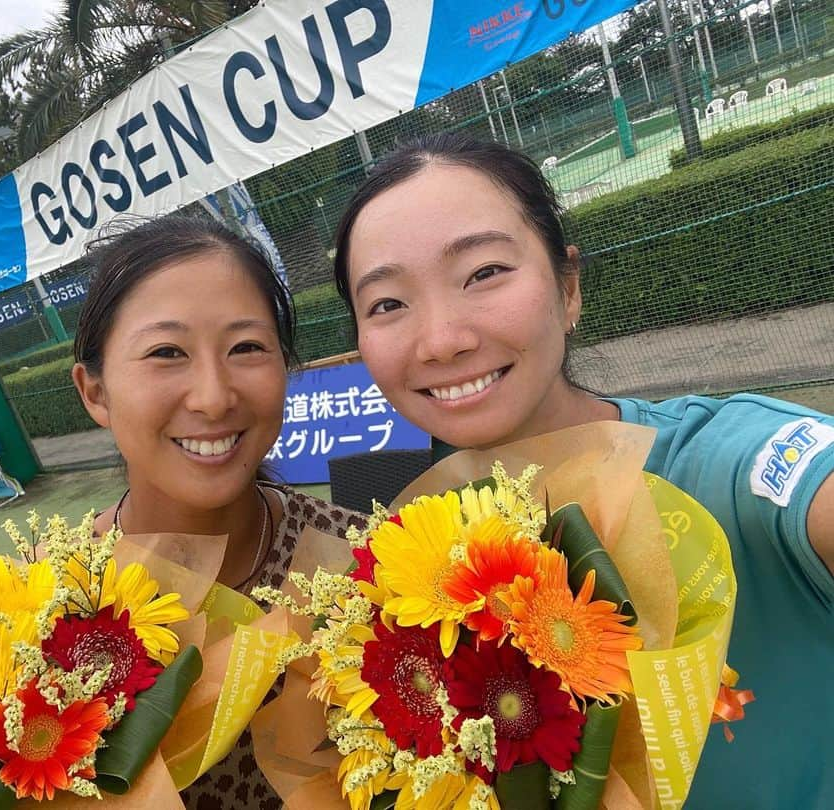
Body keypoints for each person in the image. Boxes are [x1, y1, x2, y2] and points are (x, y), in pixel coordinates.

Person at [330, 133, 833, 809]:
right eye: (388, 303)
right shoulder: (405, 567)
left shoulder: (725, 465)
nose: (442, 339)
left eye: (483, 273)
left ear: (568, 289)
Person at [71, 214, 363, 809]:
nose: (212, 396)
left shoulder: (367, 565)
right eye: (166, 352)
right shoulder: (43, 607)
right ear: (95, 392)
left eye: (246, 347)